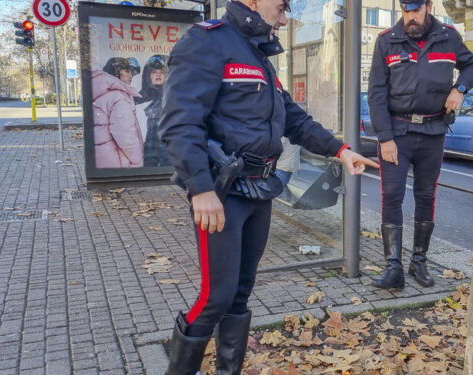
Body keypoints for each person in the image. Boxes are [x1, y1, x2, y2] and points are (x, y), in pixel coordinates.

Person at [158, 1, 378, 374]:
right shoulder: (207, 42)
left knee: (241, 292)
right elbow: (180, 123)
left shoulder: (258, 53)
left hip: (260, 189)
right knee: (217, 295)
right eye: (280, 7)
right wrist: (200, 189)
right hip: (221, 192)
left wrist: (339, 149)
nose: (284, 17)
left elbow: (293, 118)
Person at [368, 0, 473, 290]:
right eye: (405, 10)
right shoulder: (386, 41)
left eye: (415, 9)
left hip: (433, 131)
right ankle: (393, 268)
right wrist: (385, 138)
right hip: (398, 132)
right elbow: (376, 93)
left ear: (428, 6)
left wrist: (460, 89)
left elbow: (472, 64)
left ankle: (419, 261)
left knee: (426, 195)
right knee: (391, 195)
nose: (410, 17)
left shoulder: (448, 37)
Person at [92, 57, 144, 168]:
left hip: (104, 155)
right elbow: (125, 135)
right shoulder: (118, 97)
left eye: (132, 72)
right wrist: (137, 160)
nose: (130, 75)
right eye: (127, 71)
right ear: (116, 72)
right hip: (117, 159)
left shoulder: (103, 92)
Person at [136, 55, 170, 167]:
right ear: (148, 75)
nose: (158, 74)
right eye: (154, 72)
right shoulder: (142, 100)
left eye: (162, 72)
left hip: (165, 160)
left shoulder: (171, 99)